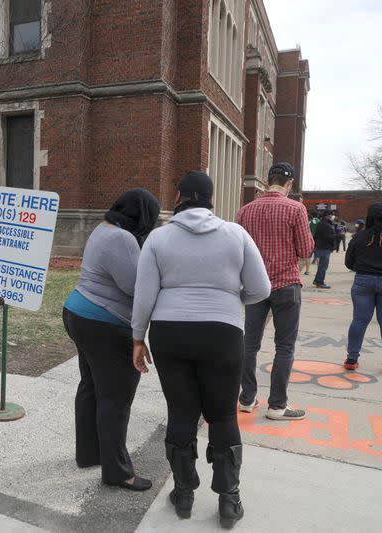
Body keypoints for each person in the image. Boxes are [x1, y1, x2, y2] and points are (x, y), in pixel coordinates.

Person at [131, 171, 271, 528]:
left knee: (180, 412)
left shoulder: (159, 238)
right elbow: (261, 288)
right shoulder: (235, 235)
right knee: (223, 414)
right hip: (222, 333)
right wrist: (228, 300)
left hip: (169, 333)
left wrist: (137, 337)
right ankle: (228, 499)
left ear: (179, 197)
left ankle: (183, 493)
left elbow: (144, 294)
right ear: (210, 199)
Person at [62, 188, 160, 492]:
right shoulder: (122, 238)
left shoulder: (103, 229)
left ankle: (89, 454)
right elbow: (137, 288)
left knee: (91, 387)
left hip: (78, 313)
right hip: (104, 323)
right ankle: (118, 472)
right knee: (115, 399)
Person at [236, 162, 314, 422]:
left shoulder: (246, 211)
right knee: (284, 347)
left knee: (249, 343)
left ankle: (247, 398)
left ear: (268, 180)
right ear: (289, 184)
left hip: (256, 286)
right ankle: (277, 405)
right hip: (286, 285)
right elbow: (305, 250)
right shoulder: (296, 209)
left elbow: (239, 252)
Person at [343, 204, 382, 370]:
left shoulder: (359, 236)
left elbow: (348, 262)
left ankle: (352, 359)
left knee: (359, 320)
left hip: (363, 280)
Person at [313, 212, 336, 288]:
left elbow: (316, 236)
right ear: (327, 216)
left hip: (320, 247)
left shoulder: (321, 223)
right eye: (331, 215)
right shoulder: (326, 225)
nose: (332, 217)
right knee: (323, 266)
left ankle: (317, 280)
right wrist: (338, 236)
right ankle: (320, 282)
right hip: (324, 248)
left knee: (321, 266)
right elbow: (328, 237)